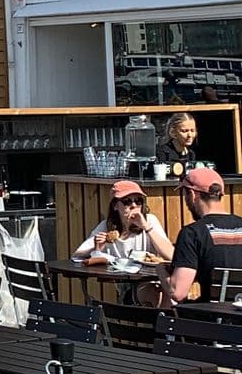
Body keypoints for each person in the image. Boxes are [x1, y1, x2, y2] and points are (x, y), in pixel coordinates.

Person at [166, 169, 242, 306]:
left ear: (192, 194)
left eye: (185, 194)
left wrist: (161, 271)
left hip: (213, 321)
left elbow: (178, 292)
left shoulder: (192, 233)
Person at [74, 181, 175, 268]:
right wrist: (96, 249)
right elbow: (77, 256)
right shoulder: (106, 226)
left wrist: (146, 227)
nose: (134, 205)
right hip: (122, 281)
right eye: (127, 202)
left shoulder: (150, 221)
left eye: (138, 201)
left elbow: (171, 256)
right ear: (115, 206)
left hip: (147, 282)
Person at [160, 112, 203, 179]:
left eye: (192, 131)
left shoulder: (191, 154)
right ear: (173, 132)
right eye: (184, 131)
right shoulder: (163, 153)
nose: (190, 135)